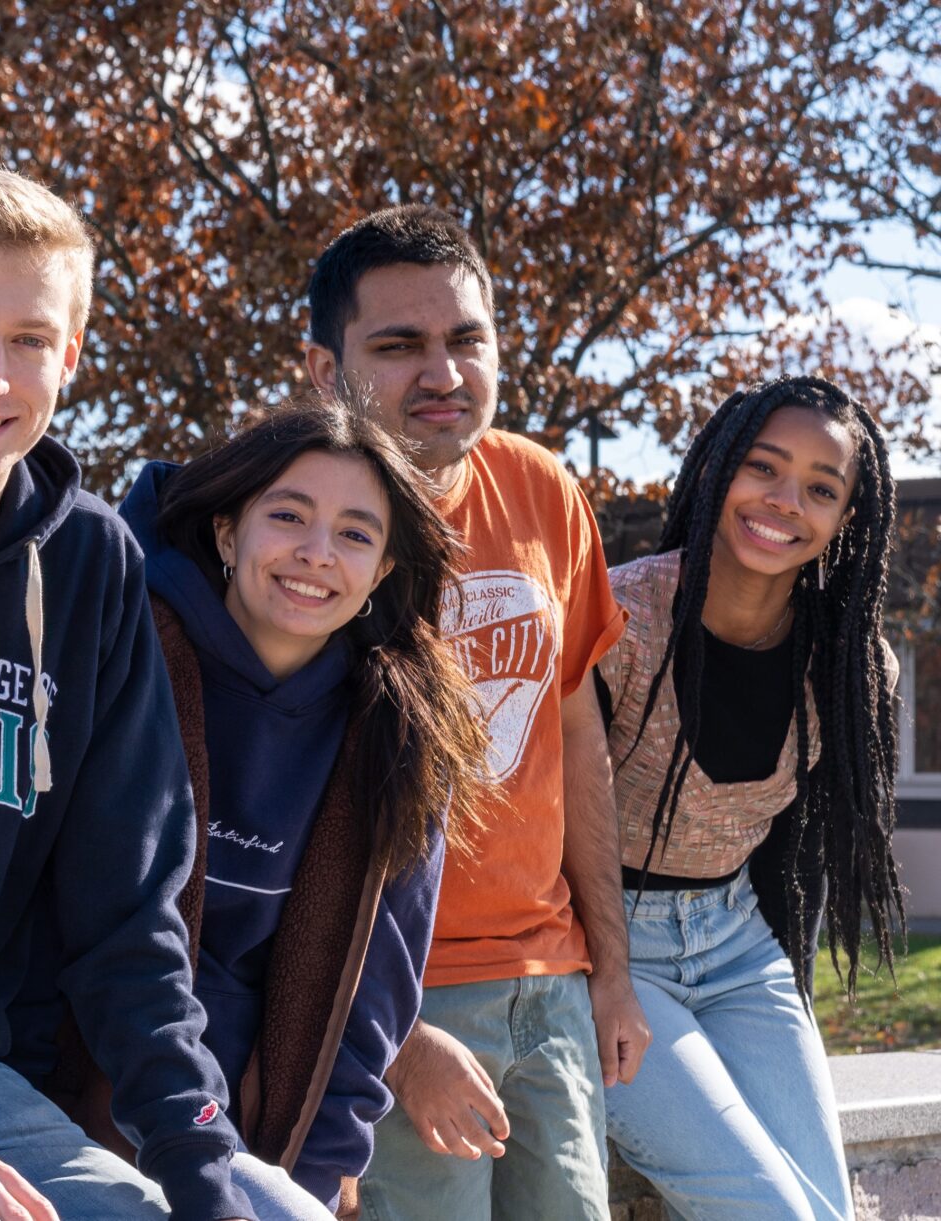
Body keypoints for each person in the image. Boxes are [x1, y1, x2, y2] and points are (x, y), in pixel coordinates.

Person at [0, 165, 330, 1221]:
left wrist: (200, 1162)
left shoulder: (92, 563)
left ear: (71, 358)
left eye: (28, 342)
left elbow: (127, 913)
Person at [305, 204, 640, 1220]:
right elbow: (256, 827)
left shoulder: (541, 490)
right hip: (400, 999)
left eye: (465, 339)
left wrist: (608, 977)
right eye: (398, 346)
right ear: (325, 370)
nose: (442, 374)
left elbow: (573, 737)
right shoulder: (294, 529)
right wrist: (386, 1044)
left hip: (551, 985)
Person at [114, 398, 493, 1216]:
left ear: (384, 570)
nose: (316, 554)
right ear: (227, 532)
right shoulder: (126, 652)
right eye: (288, 515)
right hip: (90, 1091)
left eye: (356, 533)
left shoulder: (401, 729)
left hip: (266, 1129)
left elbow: (375, 989)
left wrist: (315, 1176)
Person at [597, 377, 902, 1219]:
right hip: (605, 951)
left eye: (819, 487)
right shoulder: (621, 616)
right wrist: (600, 975)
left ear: (846, 519)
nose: (784, 501)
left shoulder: (851, 666)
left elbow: (795, 854)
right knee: (770, 1209)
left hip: (740, 948)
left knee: (827, 1210)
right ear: (720, 467)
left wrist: (790, 985)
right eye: (763, 467)